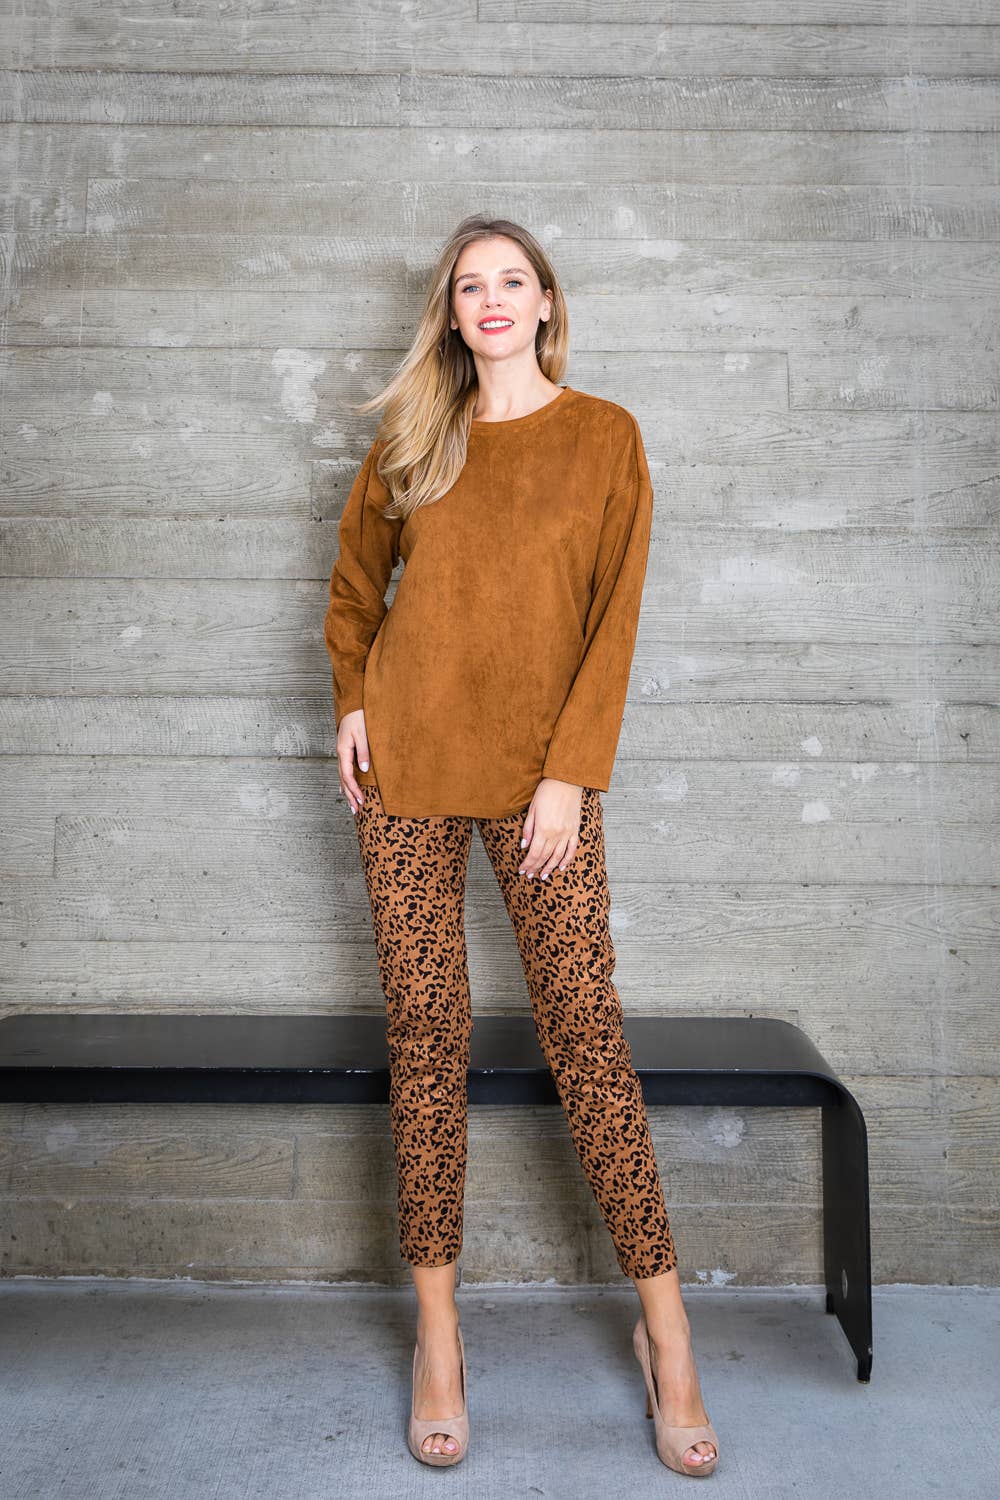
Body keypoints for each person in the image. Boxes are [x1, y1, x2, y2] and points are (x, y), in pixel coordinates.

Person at [323, 215, 720, 1478]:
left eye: (511, 281)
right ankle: (438, 1336)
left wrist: (569, 775)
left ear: (546, 301)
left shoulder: (604, 437)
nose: (490, 300)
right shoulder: (414, 436)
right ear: (449, 313)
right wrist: (352, 701)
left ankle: (668, 1338)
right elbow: (354, 587)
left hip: (542, 781)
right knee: (425, 1033)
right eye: (468, 286)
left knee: (585, 1035)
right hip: (407, 772)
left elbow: (614, 618)